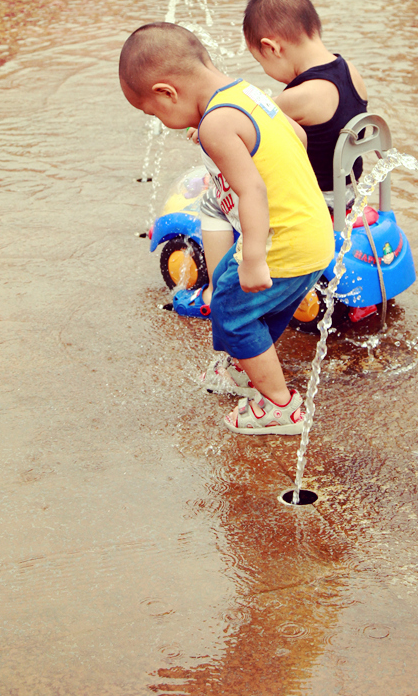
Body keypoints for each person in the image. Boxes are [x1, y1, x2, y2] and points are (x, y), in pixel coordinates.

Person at [119, 22, 334, 435]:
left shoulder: (218, 125)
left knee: (231, 311)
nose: (161, 123)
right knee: (255, 310)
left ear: (167, 92)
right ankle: (245, 369)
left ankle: (280, 407)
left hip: (278, 245)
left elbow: (251, 189)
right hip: (313, 236)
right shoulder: (246, 95)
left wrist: (253, 257)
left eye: (153, 112)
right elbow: (296, 134)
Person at [173, 0, 368, 318]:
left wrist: (207, 123)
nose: (266, 72)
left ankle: (216, 292)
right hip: (348, 191)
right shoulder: (349, 70)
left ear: (272, 47)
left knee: (214, 203)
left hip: (316, 201)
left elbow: (251, 120)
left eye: (261, 61)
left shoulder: (302, 96)